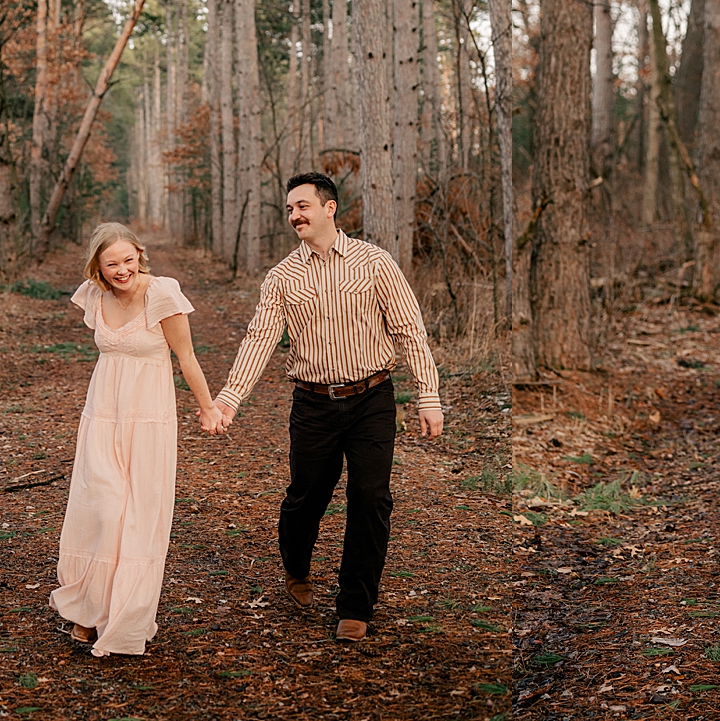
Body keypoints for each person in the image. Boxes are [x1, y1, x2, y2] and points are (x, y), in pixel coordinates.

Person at [211, 172, 444, 642]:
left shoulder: (374, 262)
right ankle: (296, 566)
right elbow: (260, 340)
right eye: (290, 209)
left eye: (303, 206)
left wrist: (428, 396)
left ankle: (355, 605)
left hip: (372, 398)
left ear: (329, 208)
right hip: (313, 404)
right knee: (305, 499)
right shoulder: (281, 277)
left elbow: (409, 330)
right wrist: (228, 400)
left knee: (370, 500)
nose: (295, 215)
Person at [50, 223, 225, 656]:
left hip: (148, 417)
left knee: (137, 516)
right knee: (103, 509)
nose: (122, 270)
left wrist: (207, 407)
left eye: (129, 260)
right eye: (112, 264)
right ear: (99, 267)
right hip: (103, 414)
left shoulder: (162, 293)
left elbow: (186, 357)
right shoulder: (94, 295)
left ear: (139, 256)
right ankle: (89, 609)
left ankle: (123, 615)